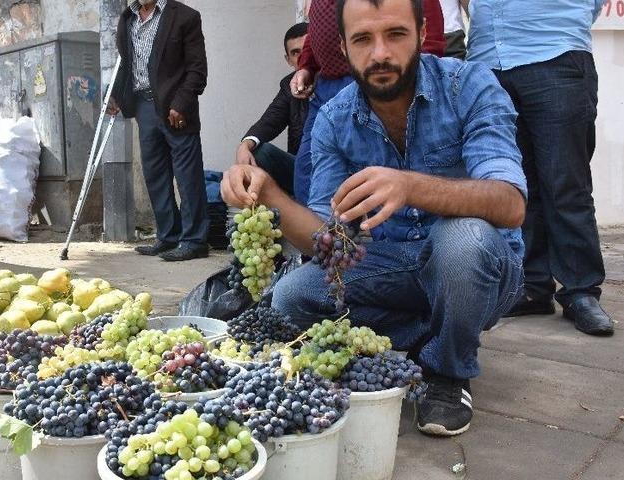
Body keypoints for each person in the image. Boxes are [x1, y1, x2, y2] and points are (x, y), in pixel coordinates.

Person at [222, 0, 526, 436]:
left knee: (464, 240)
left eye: (396, 34)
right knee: (291, 295)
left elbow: (511, 204)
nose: (380, 53)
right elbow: (325, 242)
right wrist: (269, 193)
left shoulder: (470, 86)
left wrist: (410, 186)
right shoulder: (334, 117)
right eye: (363, 39)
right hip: (390, 263)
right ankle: (429, 335)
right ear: (343, 48)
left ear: (422, 34)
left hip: (478, 267)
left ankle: (448, 371)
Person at [467, 1, 614, 336]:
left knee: (566, 185)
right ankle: (532, 286)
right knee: (516, 187)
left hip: (554, 49)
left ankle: (581, 290)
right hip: (489, 62)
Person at [289, 0, 446, 206]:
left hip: (378, 78)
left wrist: (414, 77)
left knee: (384, 169)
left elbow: (423, 25)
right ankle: (318, 235)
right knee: (308, 170)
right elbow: (315, 29)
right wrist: (306, 66)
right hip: (327, 85)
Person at [108, 0, 209, 262]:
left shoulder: (185, 16)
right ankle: (168, 235)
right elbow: (126, 64)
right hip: (143, 105)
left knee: (187, 177)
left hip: (175, 107)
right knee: (155, 174)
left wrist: (182, 103)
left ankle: (194, 240)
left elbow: (197, 69)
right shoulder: (128, 19)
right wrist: (116, 95)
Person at [235, 22, 310, 197]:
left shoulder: (336, 81)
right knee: (258, 151)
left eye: (307, 48)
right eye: (295, 52)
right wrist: (244, 145)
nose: (303, 56)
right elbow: (270, 121)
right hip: (301, 170)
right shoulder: (288, 85)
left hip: (336, 172)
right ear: (288, 60)